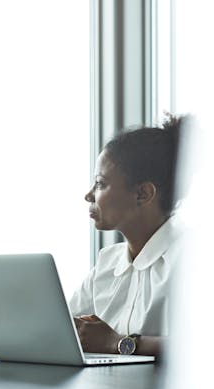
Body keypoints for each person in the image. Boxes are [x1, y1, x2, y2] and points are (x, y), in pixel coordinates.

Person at [69, 114, 188, 358]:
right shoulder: (107, 263)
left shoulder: (193, 259)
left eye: (100, 184)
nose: (89, 195)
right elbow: (64, 329)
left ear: (143, 194)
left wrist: (117, 343)